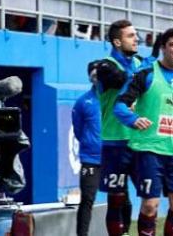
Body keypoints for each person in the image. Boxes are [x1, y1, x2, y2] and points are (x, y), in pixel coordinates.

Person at [113, 29, 173, 236]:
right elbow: (120, 106)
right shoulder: (146, 74)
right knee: (150, 204)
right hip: (149, 150)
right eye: (172, 45)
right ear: (163, 48)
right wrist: (133, 120)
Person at [94, 19, 143, 236]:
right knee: (117, 197)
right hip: (114, 140)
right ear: (117, 41)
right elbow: (121, 79)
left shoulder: (140, 63)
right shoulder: (105, 66)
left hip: (141, 140)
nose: (137, 39)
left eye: (136, 34)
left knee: (145, 199)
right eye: (131, 36)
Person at [72, 61, 102, 236]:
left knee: (122, 199)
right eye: (95, 75)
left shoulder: (115, 99)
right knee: (87, 201)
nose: (98, 79)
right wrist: (90, 144)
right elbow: (78, 130)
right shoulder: (83, 102)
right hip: (91, 159)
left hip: (113, 157)